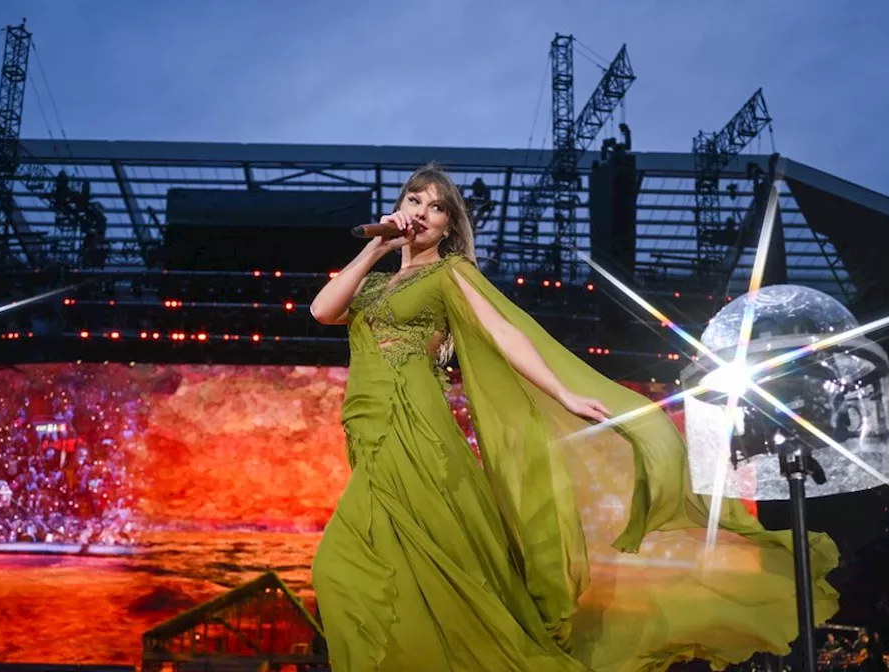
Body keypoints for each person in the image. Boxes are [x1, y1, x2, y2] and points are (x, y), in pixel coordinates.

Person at [307, 163, 841, 671]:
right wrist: (378, 246)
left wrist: (563, 392)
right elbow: (323, 310)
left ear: (450, 227)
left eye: (438, 207)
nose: (422, 210)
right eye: (414, 199)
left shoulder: (450, 273)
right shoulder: (375, 285)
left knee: (340, 567)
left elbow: (505, 333)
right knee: (407, 570)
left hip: (412, 425)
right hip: (367, 427)